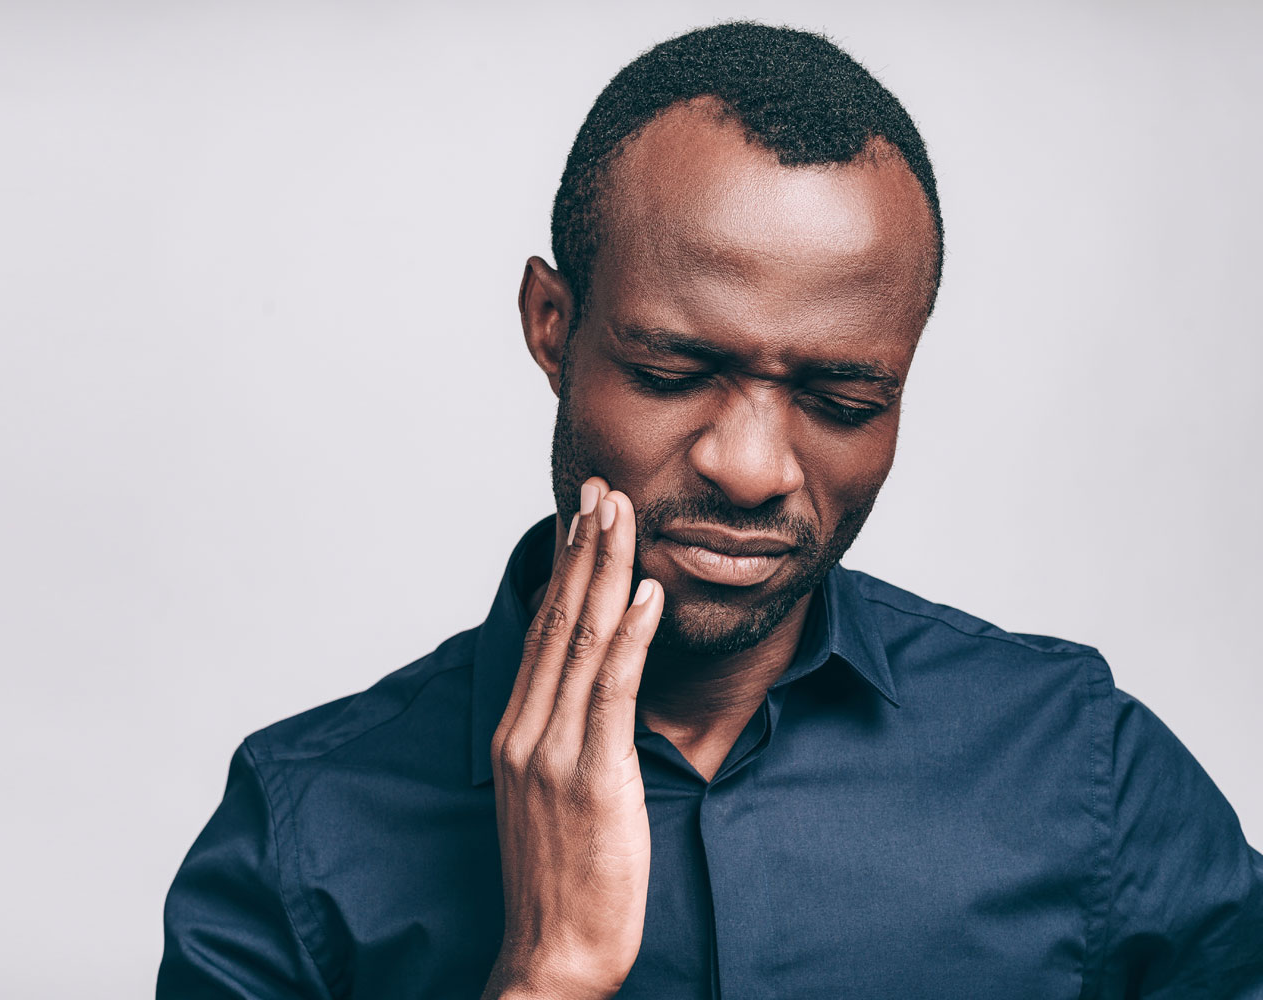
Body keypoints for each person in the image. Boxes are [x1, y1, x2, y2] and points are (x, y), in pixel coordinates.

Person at [155, 21, 1263, 1000]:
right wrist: (544, 977)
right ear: (551, 325)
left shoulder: (1079, 765)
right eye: (672, 370)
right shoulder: (301, 834)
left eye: (840, 399)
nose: (747, 468)